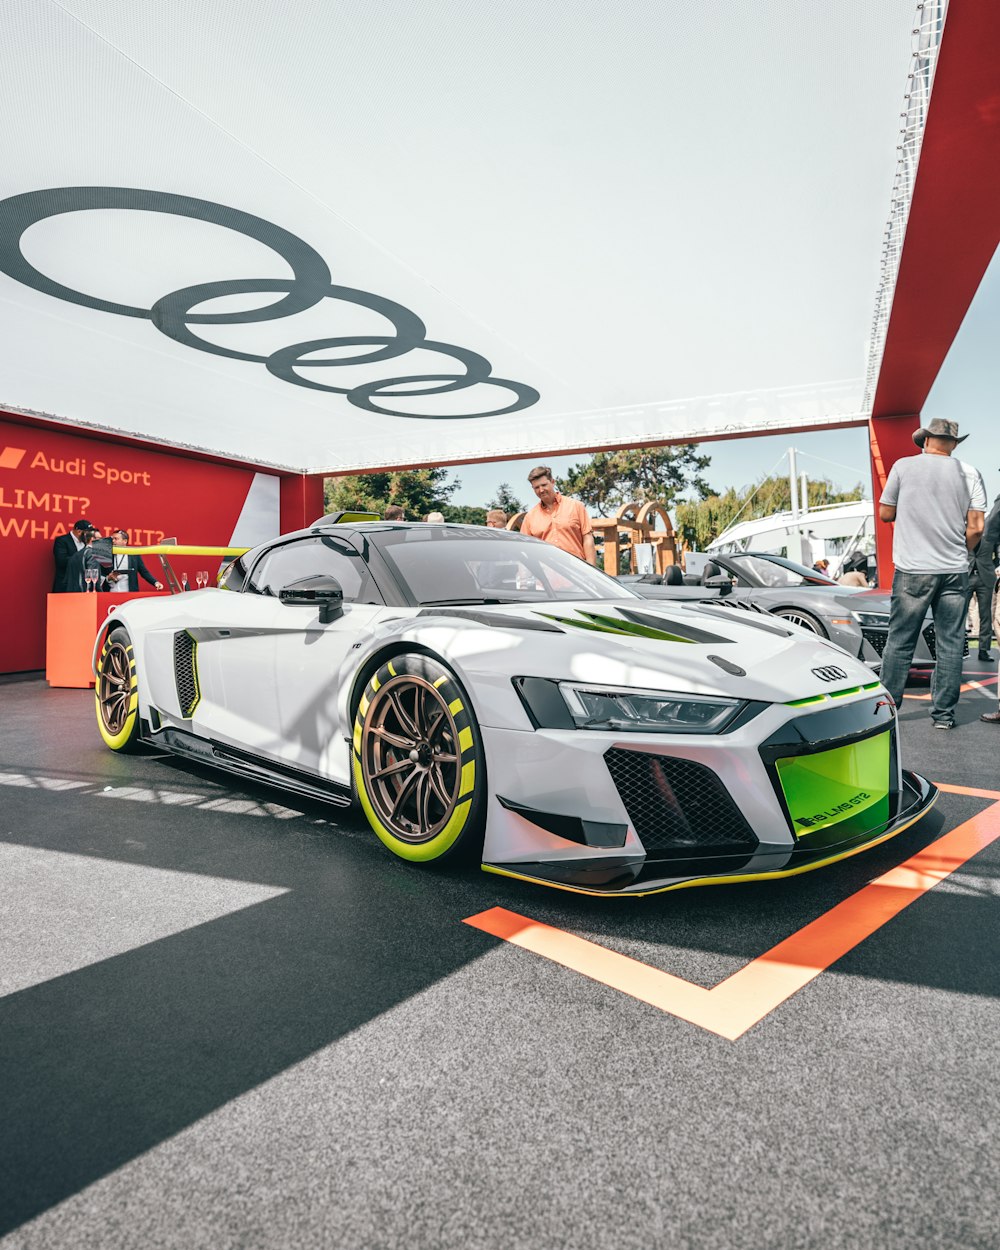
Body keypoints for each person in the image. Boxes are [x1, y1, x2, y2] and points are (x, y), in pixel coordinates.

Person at [878, 418, 986, 729]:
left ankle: (889, 712)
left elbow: (886, 512)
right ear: (953, 444)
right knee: (950, 643)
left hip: (913, 569)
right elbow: (977, 527)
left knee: (900, 641)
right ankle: (943, 716)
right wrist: (958, 550)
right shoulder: (969, 472)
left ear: (925, 441)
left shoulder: (903, 467)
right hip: (954, 570)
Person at [519, 466, 596, 565]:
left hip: (577, 572)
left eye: (544, 485)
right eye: (536, 487)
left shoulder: (576, 506)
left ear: (552, 482)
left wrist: (591, 572)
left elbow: (588, 539)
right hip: (546, 575)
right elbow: (525, 550)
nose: (541, 490)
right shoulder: (530, 517)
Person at [105, 528, 164, 593]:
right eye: (112, 539)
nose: (113, 541)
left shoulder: (134, 554)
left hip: (129, 594)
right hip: (111, 593)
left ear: (125, 541)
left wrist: (155, 583)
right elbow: (100, 576)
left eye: (116, 539)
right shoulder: (107, 555)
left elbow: (144, 572)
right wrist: (108, 578)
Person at [51, 519, 93, 592]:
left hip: (84, 586)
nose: (90, 536)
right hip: (66, 585)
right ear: (79, 531)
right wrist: (82, 559)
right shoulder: (62, 541)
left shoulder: (87, 542)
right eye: (88, 533)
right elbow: (61, 561)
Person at [63, 525, 104, 591]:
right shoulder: (93, 554)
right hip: (87, 594)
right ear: (92, 539)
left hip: (72, 594)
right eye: (100, 538)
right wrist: (99, 591)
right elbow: (93, 578)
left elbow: (66, 579)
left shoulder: (75, 555)